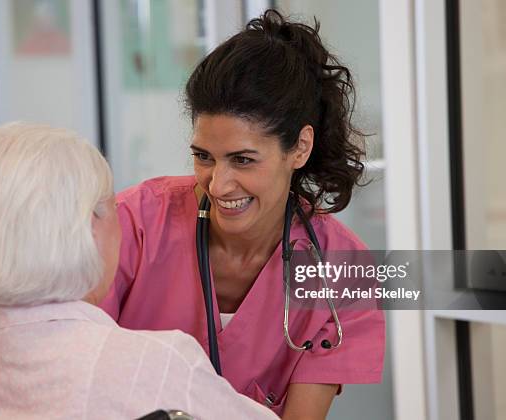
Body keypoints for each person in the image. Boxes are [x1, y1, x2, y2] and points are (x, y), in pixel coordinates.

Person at [99, 9, 385, 419]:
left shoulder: (340, 269)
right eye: (203, 157)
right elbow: (75, 368)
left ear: (300, 148)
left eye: (243, 160)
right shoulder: (132, 225)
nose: (217, 185)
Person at [0, 122, 278, 420]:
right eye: (112, 207)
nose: (218, 184)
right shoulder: (157, 365)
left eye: (244, 159)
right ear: (90, 225)